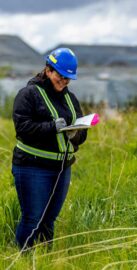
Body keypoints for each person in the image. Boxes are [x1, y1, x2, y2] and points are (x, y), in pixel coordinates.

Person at [12, 48, 87, 248]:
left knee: (49, 220)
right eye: (60, 77)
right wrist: (51, 127)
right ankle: (22, 260)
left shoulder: (71, 99)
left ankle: (47, 260)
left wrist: (76, 134)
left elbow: (82, 132)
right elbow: (22, 128)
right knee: (32, 219)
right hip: (32, 166)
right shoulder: (28, 94)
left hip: (61, 169)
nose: (63, 82)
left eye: (68, 79)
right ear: (48, 70)